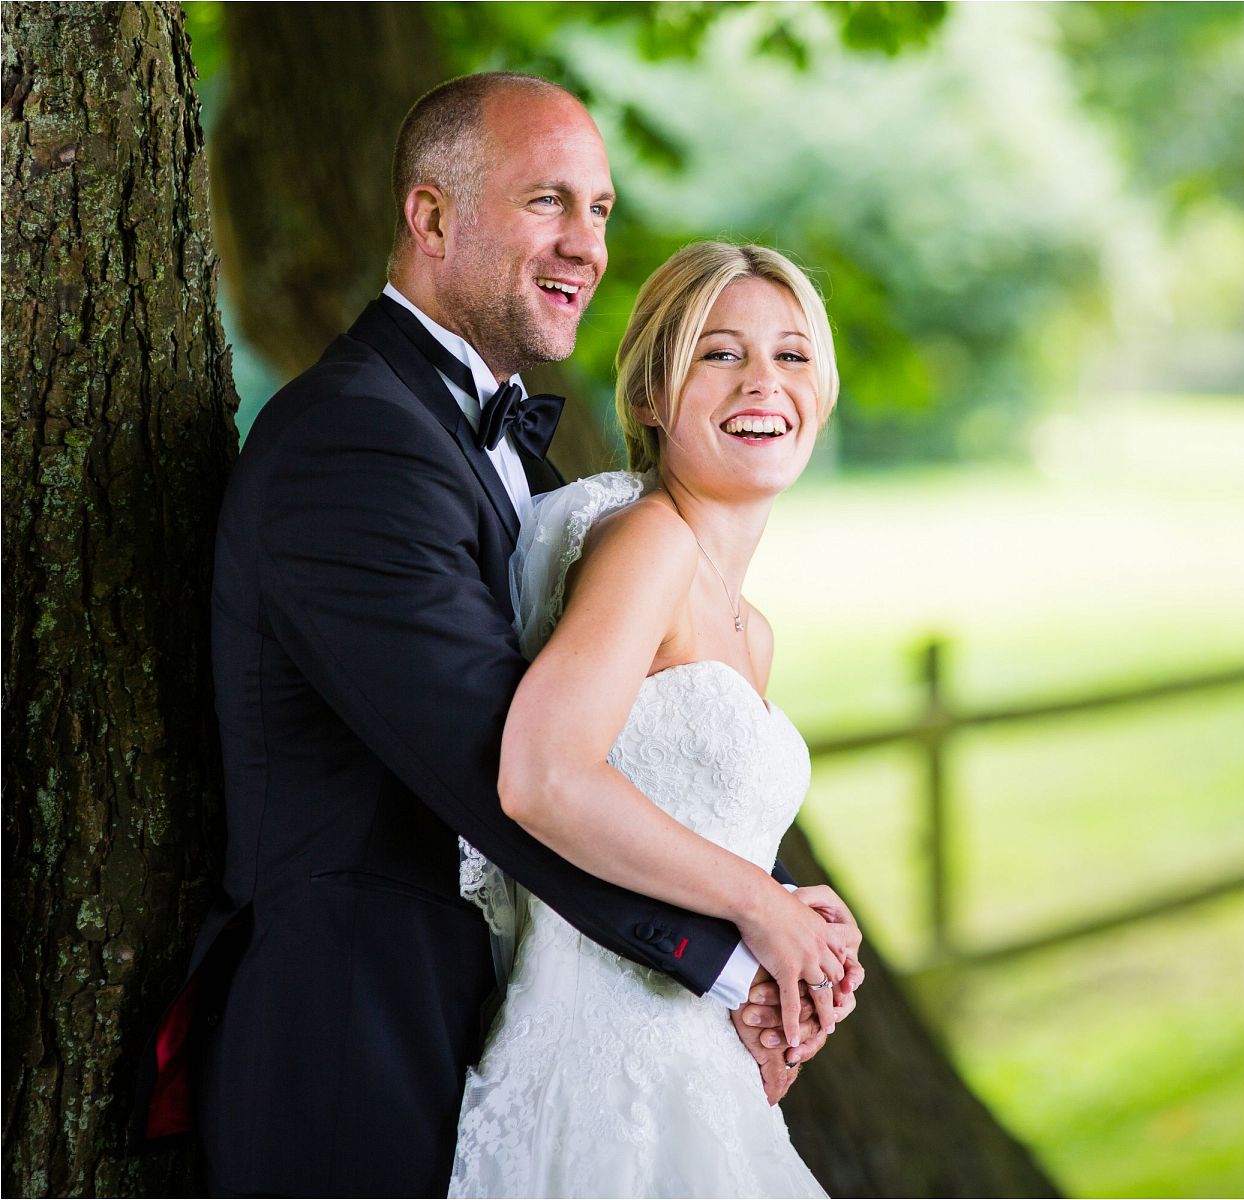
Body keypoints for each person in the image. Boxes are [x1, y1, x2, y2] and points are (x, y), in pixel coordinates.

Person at [132, 73, 853, 1197]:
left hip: (503, 1026)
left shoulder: (536, 472)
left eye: (601, 210)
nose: (584, 244)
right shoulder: (352, 442)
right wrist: (736, 945)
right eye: (547, 203)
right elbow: (500, 764)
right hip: (352, 1039)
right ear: (430, 218)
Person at [449, 240, 855, 1197]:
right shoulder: (648, 542)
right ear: (649, 398)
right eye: (720, 353)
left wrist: (795, 953)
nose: (764, 381)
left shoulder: (753, 630)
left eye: (792, 355)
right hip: (603, 1080)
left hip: (706, 1074)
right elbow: (542, 777)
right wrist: (762, 907)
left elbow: (686, 836)